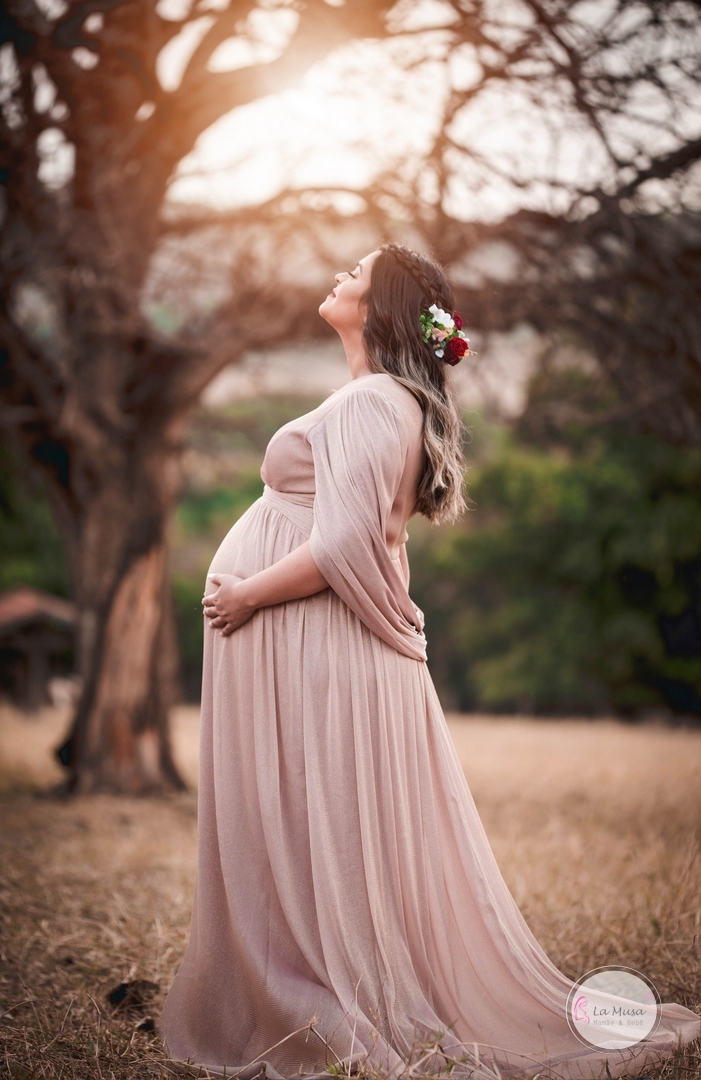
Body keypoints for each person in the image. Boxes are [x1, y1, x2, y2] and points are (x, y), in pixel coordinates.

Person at [159, 244, 701, 1080]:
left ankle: (317, 1001)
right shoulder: (379, 399)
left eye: (358, 272)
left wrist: (247, 596)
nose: (337, 275)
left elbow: (347, 543)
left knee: (310, 820)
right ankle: (296, 986)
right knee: (304, 825)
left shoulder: (375, 402)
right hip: (311, 640)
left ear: (382, 308)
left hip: (307, 634)